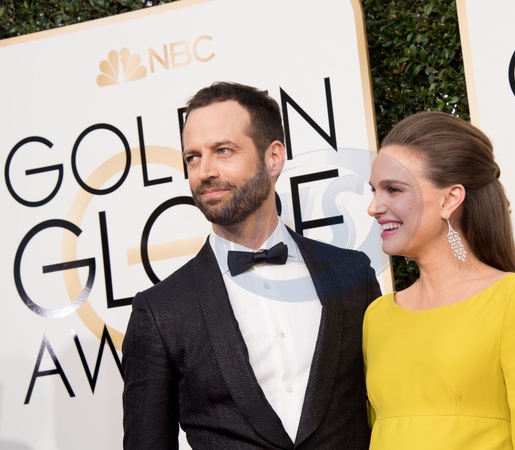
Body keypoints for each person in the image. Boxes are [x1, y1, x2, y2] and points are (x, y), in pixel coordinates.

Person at [122, 81, 381, 449]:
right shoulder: (160, 312)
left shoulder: (351, 275)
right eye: (192, 157)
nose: (204, 171)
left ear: (273, 157)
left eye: (223, 151)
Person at [364, 111, 515, 449]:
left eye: (393, 189)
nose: (374, 207)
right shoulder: (377, 316)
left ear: (450, 199)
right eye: (375, 190)